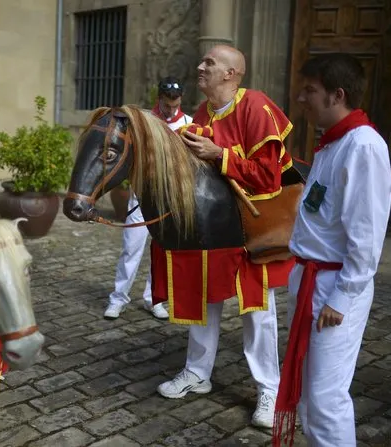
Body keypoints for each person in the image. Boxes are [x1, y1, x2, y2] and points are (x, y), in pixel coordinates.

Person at [156, 45, 294, 429]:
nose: (200, 68)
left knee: (258, 312)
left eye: (209, 64)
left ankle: (270, 388)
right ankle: (197, 372)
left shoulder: (256, 106)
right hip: (214, 226)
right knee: (206, 294)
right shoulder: (201, 112)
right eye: (203, 62)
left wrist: (220, 154)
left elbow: (268, 176)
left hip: (256, 229)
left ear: (232, 74)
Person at [273, 54, 391, 446]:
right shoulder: (331, 144)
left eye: (310, 90)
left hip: (334, 287)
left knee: (325, 398)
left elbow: (367, 235)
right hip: (309, 279)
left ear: (337, 95)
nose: (300, 98)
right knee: (310, 391)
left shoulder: (363, 146)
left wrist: (341, 297)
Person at [104, 77, 192, 320]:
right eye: (166, 104)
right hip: (142, 197)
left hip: (169, 200)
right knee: (131, 249)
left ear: (181, 100)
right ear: (159, 99)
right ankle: (118, 298)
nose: (171, 109)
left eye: (175, 104)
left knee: (162, 252)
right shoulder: (142, 122)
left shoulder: (189, 124)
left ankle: (154, 298)